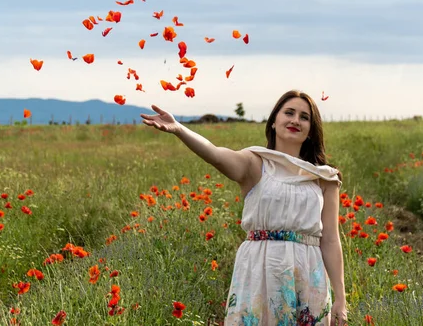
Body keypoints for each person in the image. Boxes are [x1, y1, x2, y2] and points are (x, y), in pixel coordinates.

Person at [140, 89, 348, 326]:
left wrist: (340, 299)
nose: (295, 120)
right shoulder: (255, 163)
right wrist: (179, 129)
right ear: (273, 122)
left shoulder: (324, 178)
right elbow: (215, 154)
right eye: (288, 112)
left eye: (304, 117)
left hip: (308, 273)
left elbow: (331, 239)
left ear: (311, 130)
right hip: (261, 271)